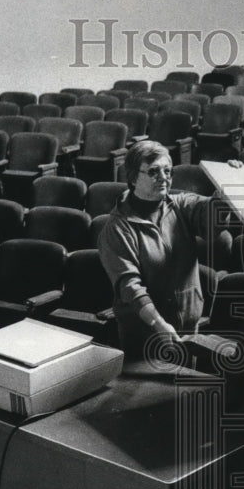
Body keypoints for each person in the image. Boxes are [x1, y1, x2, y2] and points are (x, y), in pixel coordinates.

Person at [97, 140, 219, 360]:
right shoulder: (117, 228)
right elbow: (130, 287)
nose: (164, 178)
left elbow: (213, 219)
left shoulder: (180, 204)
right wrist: (158, 324)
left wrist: (230, 184)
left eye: (167, 171)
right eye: (153, 172)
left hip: (187, 327)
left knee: (184, 380)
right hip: (144, 334)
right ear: (133, 178)